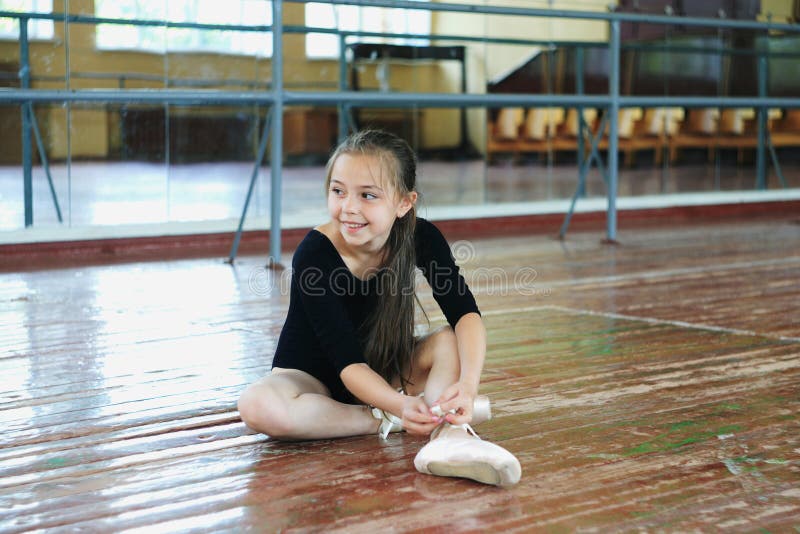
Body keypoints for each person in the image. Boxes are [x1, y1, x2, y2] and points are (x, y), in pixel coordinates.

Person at [238, 130, 521, 487]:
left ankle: (450, 436)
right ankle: (401, 420)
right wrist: (399, 407)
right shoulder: (314, 255)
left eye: (367, 195)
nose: (349, 208)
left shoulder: (422, 237)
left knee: (449, 339)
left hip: (385, 370)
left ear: (404, 203)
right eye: (338, 191)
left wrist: (468, 384)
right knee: (256, 404)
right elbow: (347, 365)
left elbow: (465, 314)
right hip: (312, 381)